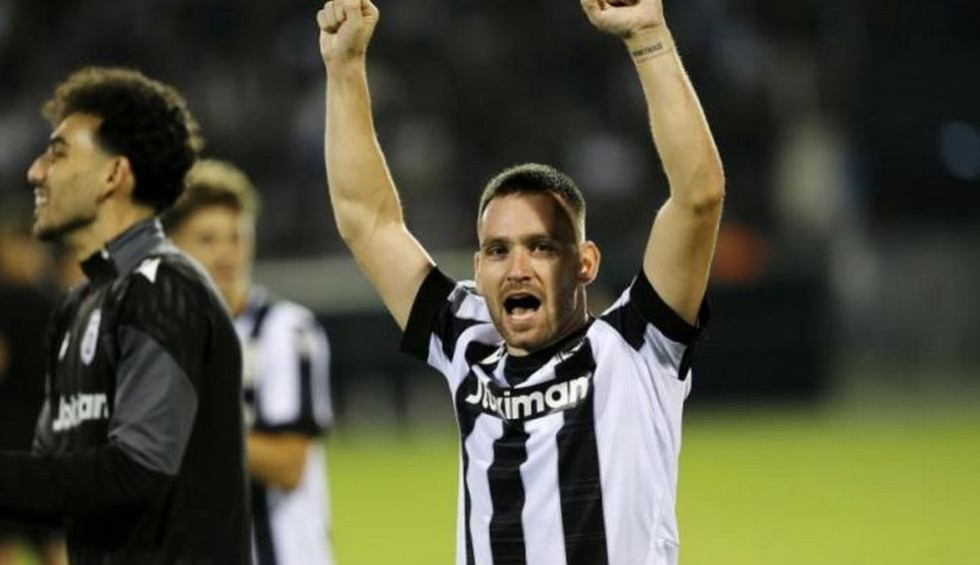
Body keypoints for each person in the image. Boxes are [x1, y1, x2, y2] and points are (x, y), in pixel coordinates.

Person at [318, 0, 724, 563]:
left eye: (542, 247)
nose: (517, 268)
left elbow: (698, 198)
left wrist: (648, 37)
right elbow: (367, 221)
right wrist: (344, 67)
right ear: (478, 268)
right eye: (498, 250)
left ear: (585, 263)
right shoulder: (467, 341)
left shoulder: (636, 347)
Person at [0, 67, 250, 564]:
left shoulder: (166, 290)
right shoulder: (76, 307)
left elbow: (137, 472)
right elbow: (53, 485)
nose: (36, 172)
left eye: (58, 153)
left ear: (114, 175)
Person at [164, 159, 335, 565]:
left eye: (236, 237)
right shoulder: (157, 340)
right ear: (171, 246)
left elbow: (288, 464)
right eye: (207, 239)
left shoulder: (285, 331)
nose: (226, 253)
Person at [0, 201, 66, 565]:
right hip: (51, 435)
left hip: (11, 437)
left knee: (9, 541)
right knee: (52, 539)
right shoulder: (58, 301)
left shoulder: (8, 301)